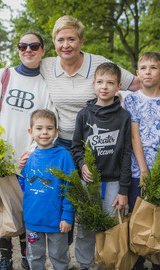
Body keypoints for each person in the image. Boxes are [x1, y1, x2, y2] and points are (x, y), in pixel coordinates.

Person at [0, 15, 160, 269]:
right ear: (54, 43)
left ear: (81, 40)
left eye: (72, 38)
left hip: (95, 148)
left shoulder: (99, 64)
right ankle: (61, 257)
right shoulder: (48, 64)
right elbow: (22, 67)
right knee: (62, 202)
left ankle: (92, 260)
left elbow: (137, 82)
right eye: (61, 40)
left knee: (90, 211)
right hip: (60, 146)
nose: (66, 45)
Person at [0, 32, 55, 270]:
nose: (28, 50)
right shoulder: (3, 75)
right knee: (1, 208)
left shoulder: (46, 83)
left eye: (34, 46)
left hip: (27, 158)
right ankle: (5, 257)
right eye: (23, 46)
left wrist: (34, 150)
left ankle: (25, 253)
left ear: (43, 50)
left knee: (24, 209)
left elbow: (50, 119)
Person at [70, 62, 132, 269]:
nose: (104, 86)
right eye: (100, 82)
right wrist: (81, 164)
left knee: (111, 226)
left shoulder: (124, 117)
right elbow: (76, 147)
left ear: (118, 86)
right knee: (86, 226)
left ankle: (107, 262)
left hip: (113, 183)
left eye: (110, 83)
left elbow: (126, 155)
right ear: (94, 84)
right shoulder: (84, 115)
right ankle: (85, 264)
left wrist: (123, 190)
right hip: (89, 182)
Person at [124, 52, 160, 270]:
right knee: (138, 213)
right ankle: (137, 259)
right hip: (139, 167)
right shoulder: (131, 99)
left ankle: (158, 260)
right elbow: (134, 136)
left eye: (153, 67)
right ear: (137, 73)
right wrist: (144, 169)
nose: (148, 72)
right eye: (144, 68)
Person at [20, 109, 75, 270]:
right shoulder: (29, 157)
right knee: (34, 258)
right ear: (31, 132)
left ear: (56, 131)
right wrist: (22, 168)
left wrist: (67, 216)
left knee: (59, 258)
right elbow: (27, 186)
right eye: (39, 128)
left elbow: (70, 188)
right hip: (33, 221)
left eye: (49, 128)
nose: (44, 132)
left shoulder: (63, 156)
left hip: (57, 222)